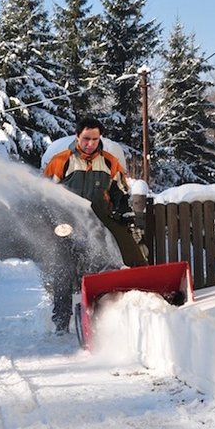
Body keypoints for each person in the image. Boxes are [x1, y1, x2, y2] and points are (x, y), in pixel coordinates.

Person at [40, 116, 147, 333]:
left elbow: (119, 192)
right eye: (86, 138)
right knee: (63, 268)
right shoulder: (61, 161)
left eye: (95, 139)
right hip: (67, 223)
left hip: (99, 221)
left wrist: (124, 212)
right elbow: (45, 196)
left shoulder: (109, 161)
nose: (90, 144)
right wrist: (57, 220)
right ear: (77, 136)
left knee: (114, 261)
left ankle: (108, 314)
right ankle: (61, 321)